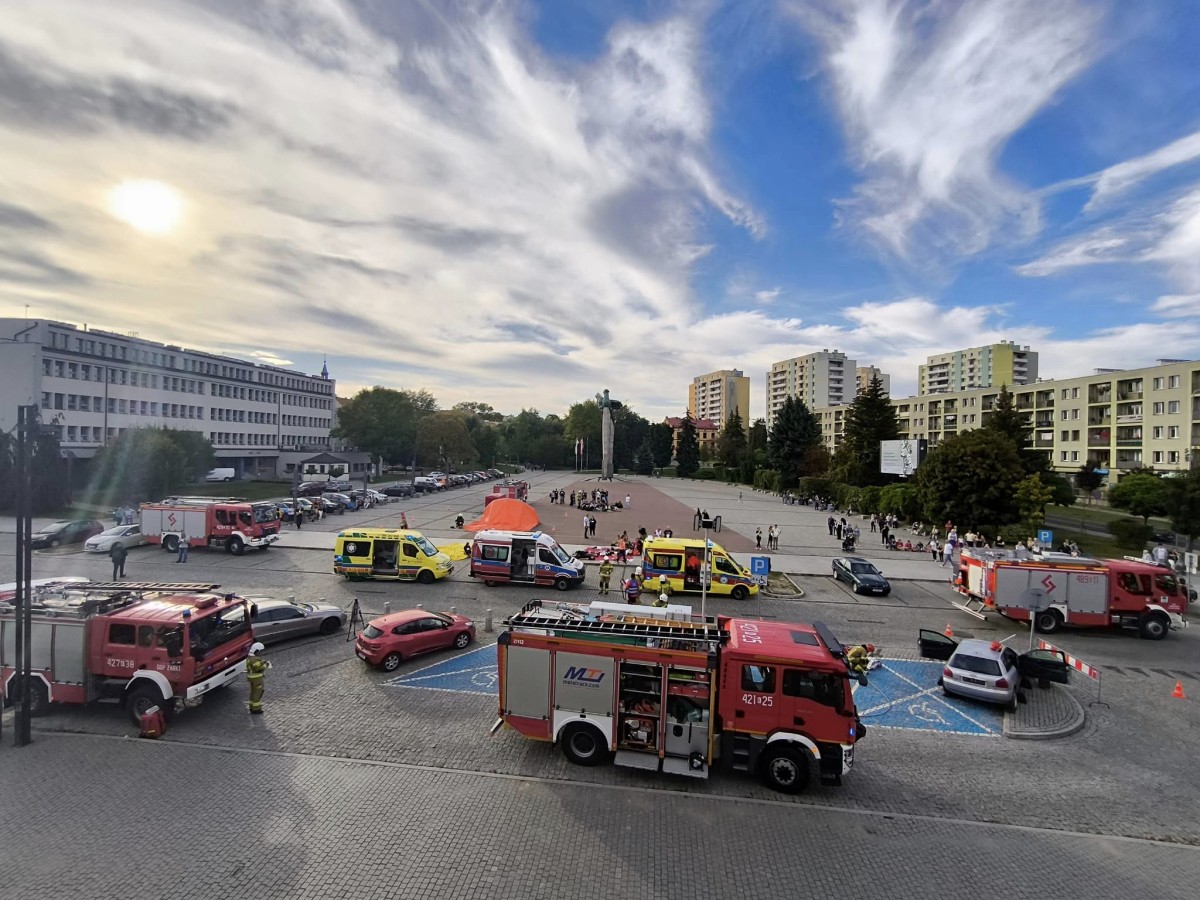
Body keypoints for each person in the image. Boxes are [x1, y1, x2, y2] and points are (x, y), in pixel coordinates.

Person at [246, 642, 270, 714]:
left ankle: (251, 706)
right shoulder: (254, 659)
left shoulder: (250, 658)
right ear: (256, 651)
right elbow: (258, 668)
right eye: (260, 651)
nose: (260, 653)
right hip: (257, 679)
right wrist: (266, 665)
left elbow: (255, 665)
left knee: (253, 692)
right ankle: (256, 709)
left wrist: (262, 662)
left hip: (252, 678)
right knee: (258, 693)